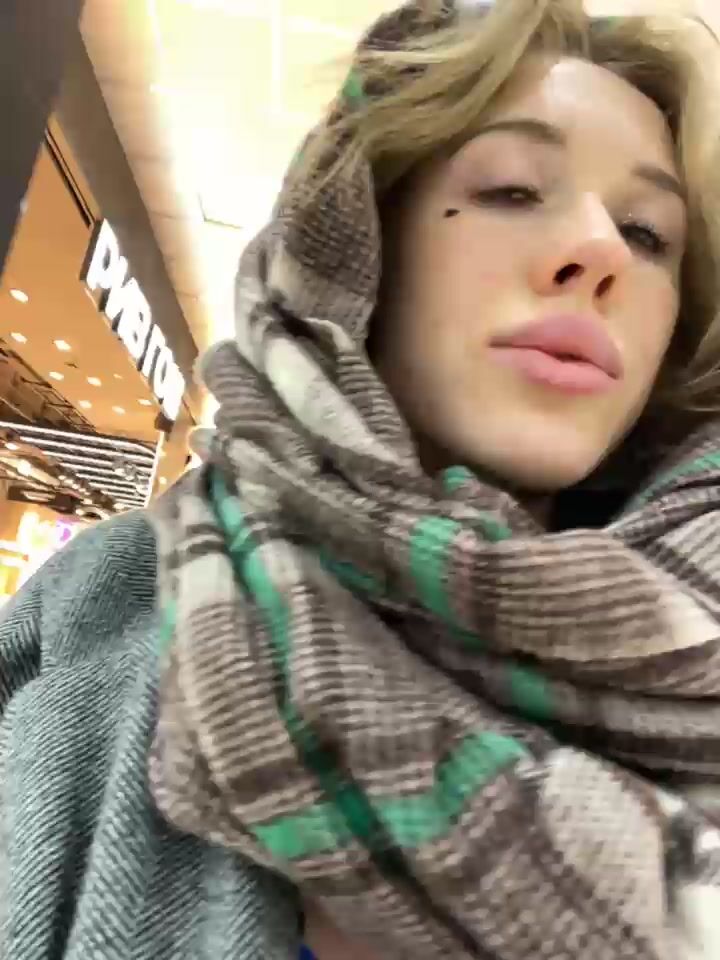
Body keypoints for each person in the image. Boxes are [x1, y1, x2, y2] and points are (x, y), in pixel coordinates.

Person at [3, 1, 720, 958]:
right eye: (511, 189)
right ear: (362, 243)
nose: (599, 250)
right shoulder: (107, 605)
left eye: (648, 233)